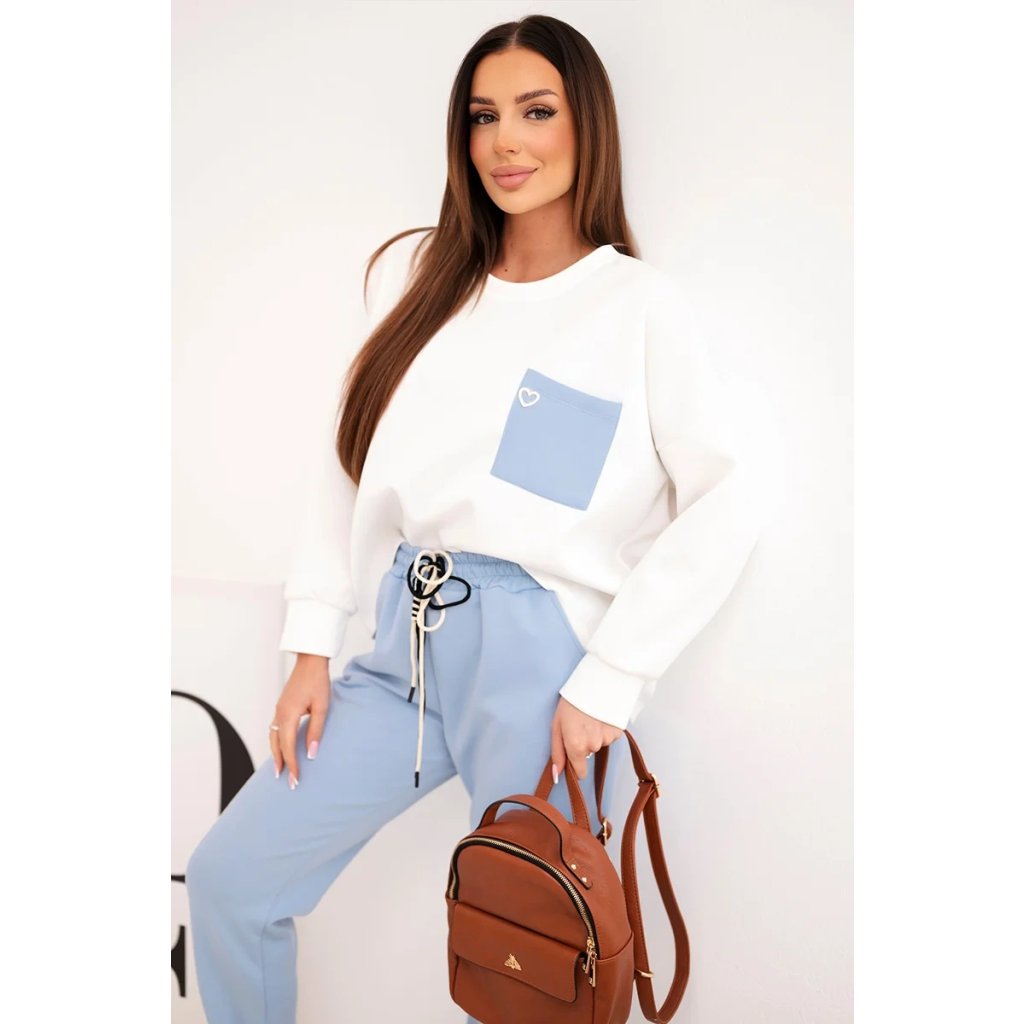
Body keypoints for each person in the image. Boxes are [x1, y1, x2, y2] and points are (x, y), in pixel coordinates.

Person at [185, 13, 762, 1024]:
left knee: (537, 966)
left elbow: (727, 497)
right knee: (233, 875)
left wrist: (609, 681)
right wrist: (310, 645)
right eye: (483, 116)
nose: (505, 142)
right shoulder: (417, 280)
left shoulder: (636, 307)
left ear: (587, 127)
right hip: (404, 642)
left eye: (536, 112)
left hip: (540, 665)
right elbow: (345, 463)